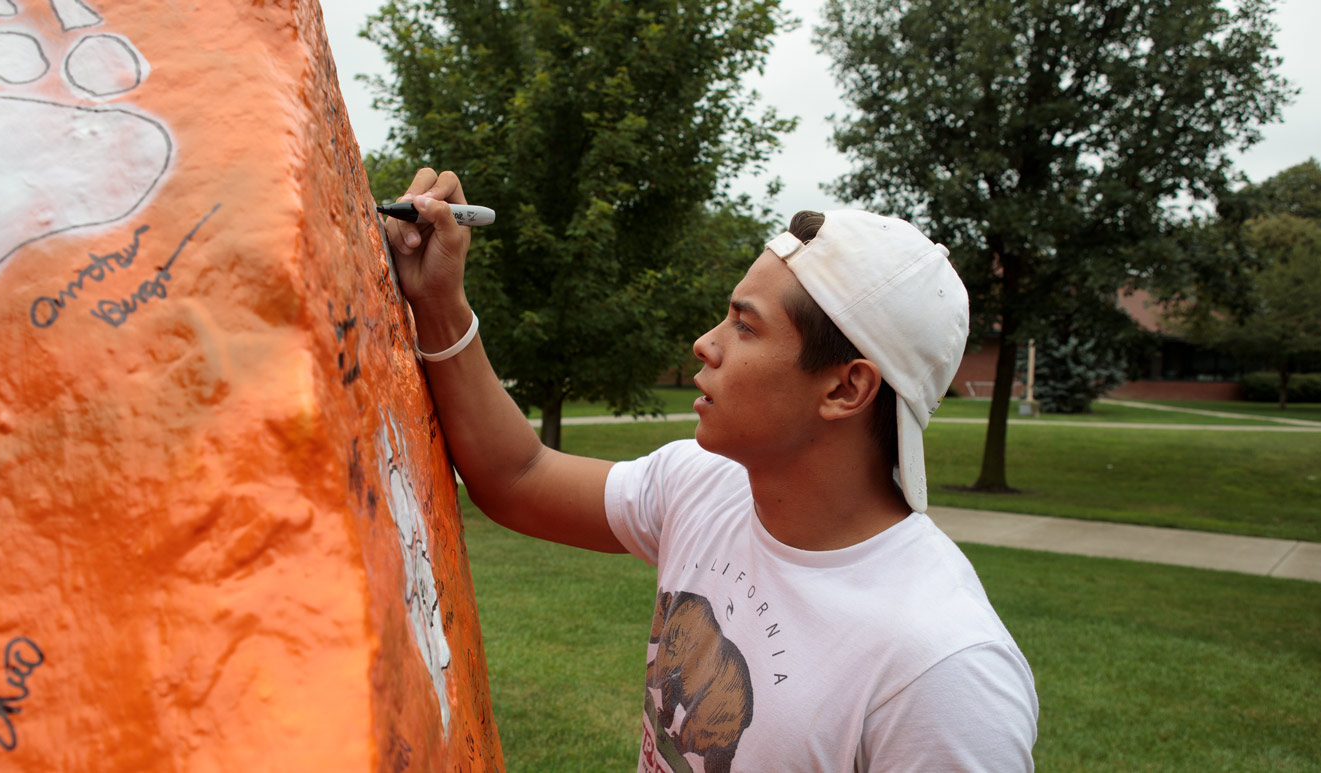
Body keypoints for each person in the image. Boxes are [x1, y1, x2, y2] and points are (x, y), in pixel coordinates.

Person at [384, 168, 1039, 772]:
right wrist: (439, 300)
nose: (705, 343)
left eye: (746, 327)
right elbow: (518, 477)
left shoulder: (941, 672)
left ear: (846, 388)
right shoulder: (705, 482)